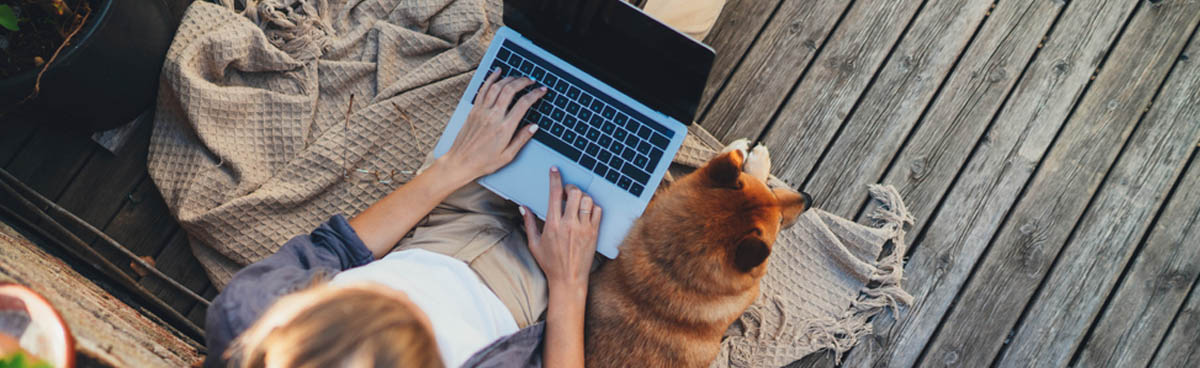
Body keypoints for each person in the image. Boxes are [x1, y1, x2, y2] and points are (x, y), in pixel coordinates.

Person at [205, 69, 601, 368]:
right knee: (618, 160)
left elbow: (339, 248)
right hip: (531, 287)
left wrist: (455, 165)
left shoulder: (248, 318)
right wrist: (569, 283)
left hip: (435, 227)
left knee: (541, 75)